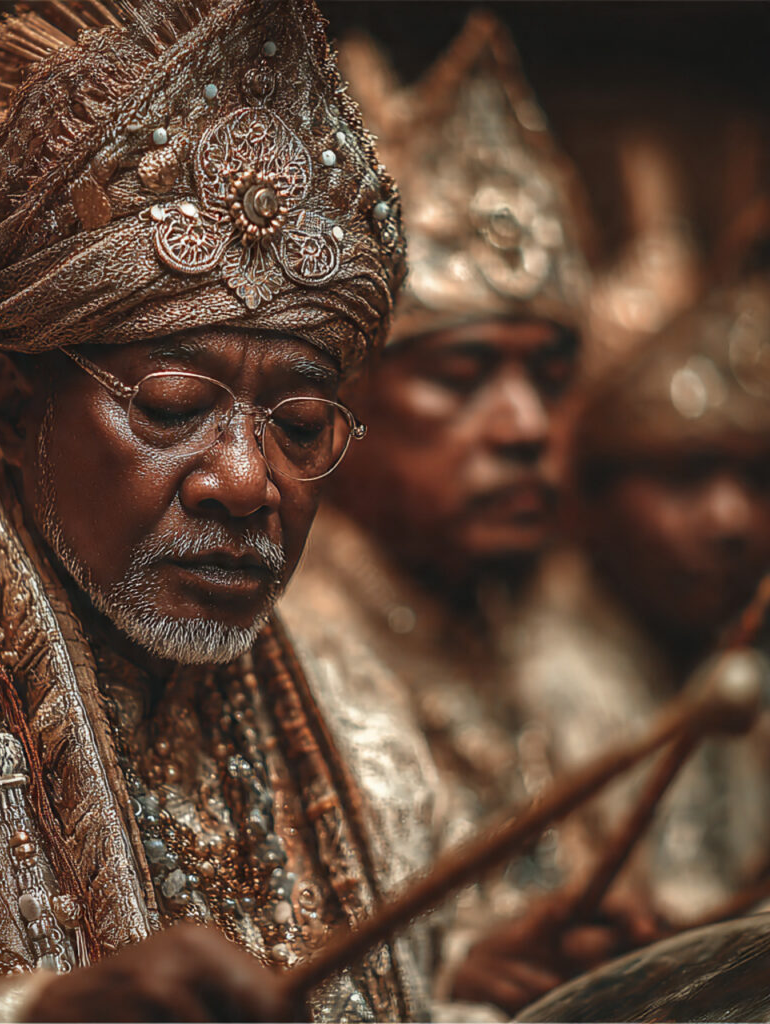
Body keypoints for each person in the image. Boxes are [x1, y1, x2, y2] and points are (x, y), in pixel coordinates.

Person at [0, 2, 441, 1020]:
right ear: (18, 399)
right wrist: (25, 1013)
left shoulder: (359, 708)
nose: (245, 482)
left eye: (297, 425)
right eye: (170, 408)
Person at [281, 13, 658, 1017]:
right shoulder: (268, 661)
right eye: (461, 374)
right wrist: (440, 984)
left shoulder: (579, 657)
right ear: (336, 403)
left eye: (551, 375)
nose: (526, 425)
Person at [517, 274, 770, 934]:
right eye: (686, 474)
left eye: (758, 478)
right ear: (590, 495)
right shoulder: (524, 681)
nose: (732, 519)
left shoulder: (727, 666)